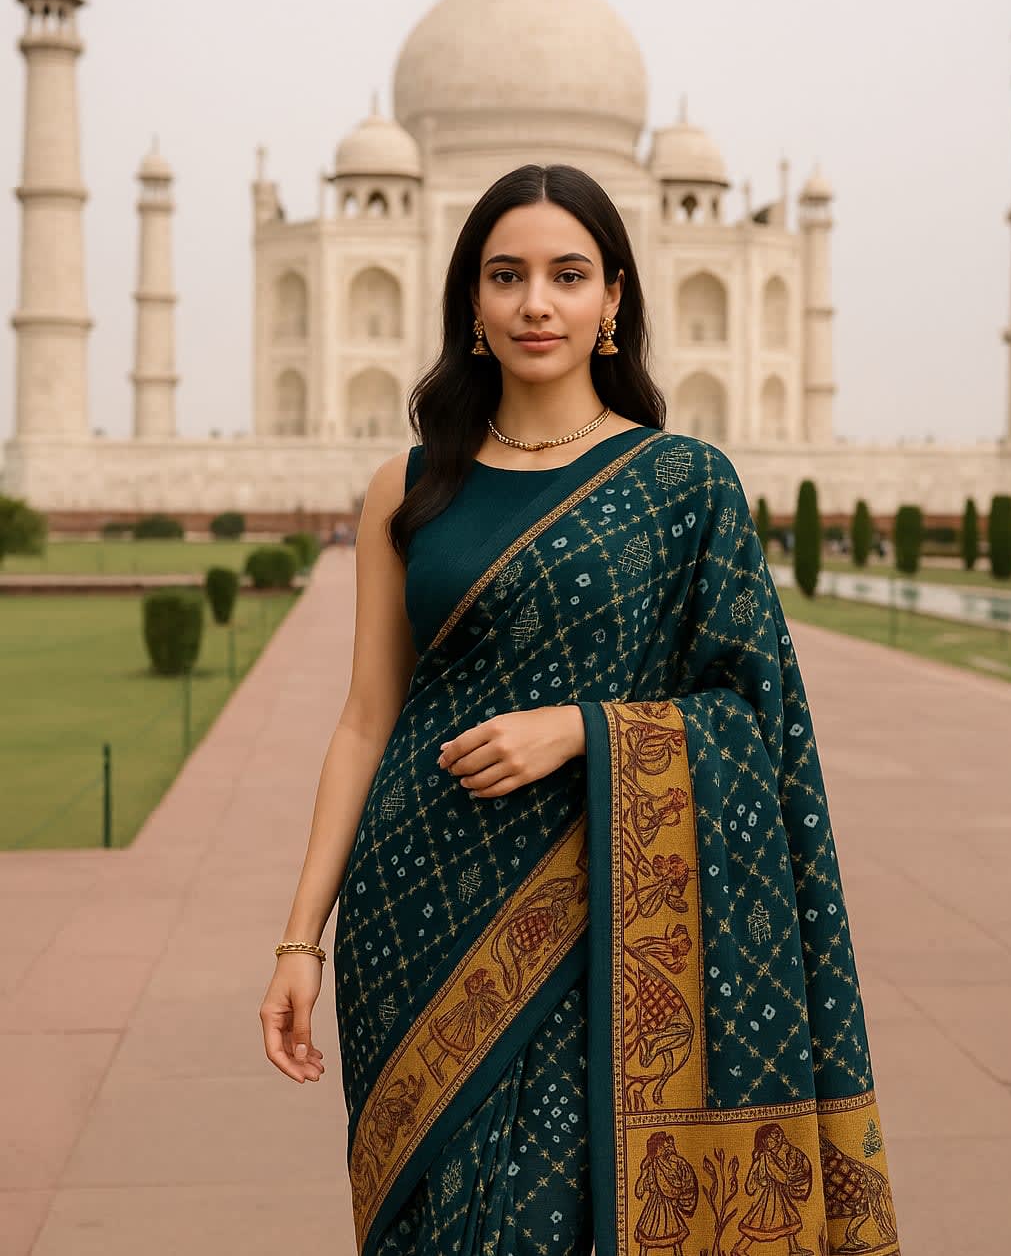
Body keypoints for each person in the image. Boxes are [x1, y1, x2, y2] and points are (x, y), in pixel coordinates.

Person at [258, 164, 901, 1256]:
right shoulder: (406, 486)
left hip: (607, 919)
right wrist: (298, 940)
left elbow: (758, 716)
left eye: (567, 275)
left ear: (613, 298)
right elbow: (366, 719)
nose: (535, 303)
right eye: (506, 275)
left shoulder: (685, 482)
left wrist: (583, 728)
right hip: (413, 918)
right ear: (471, 300)